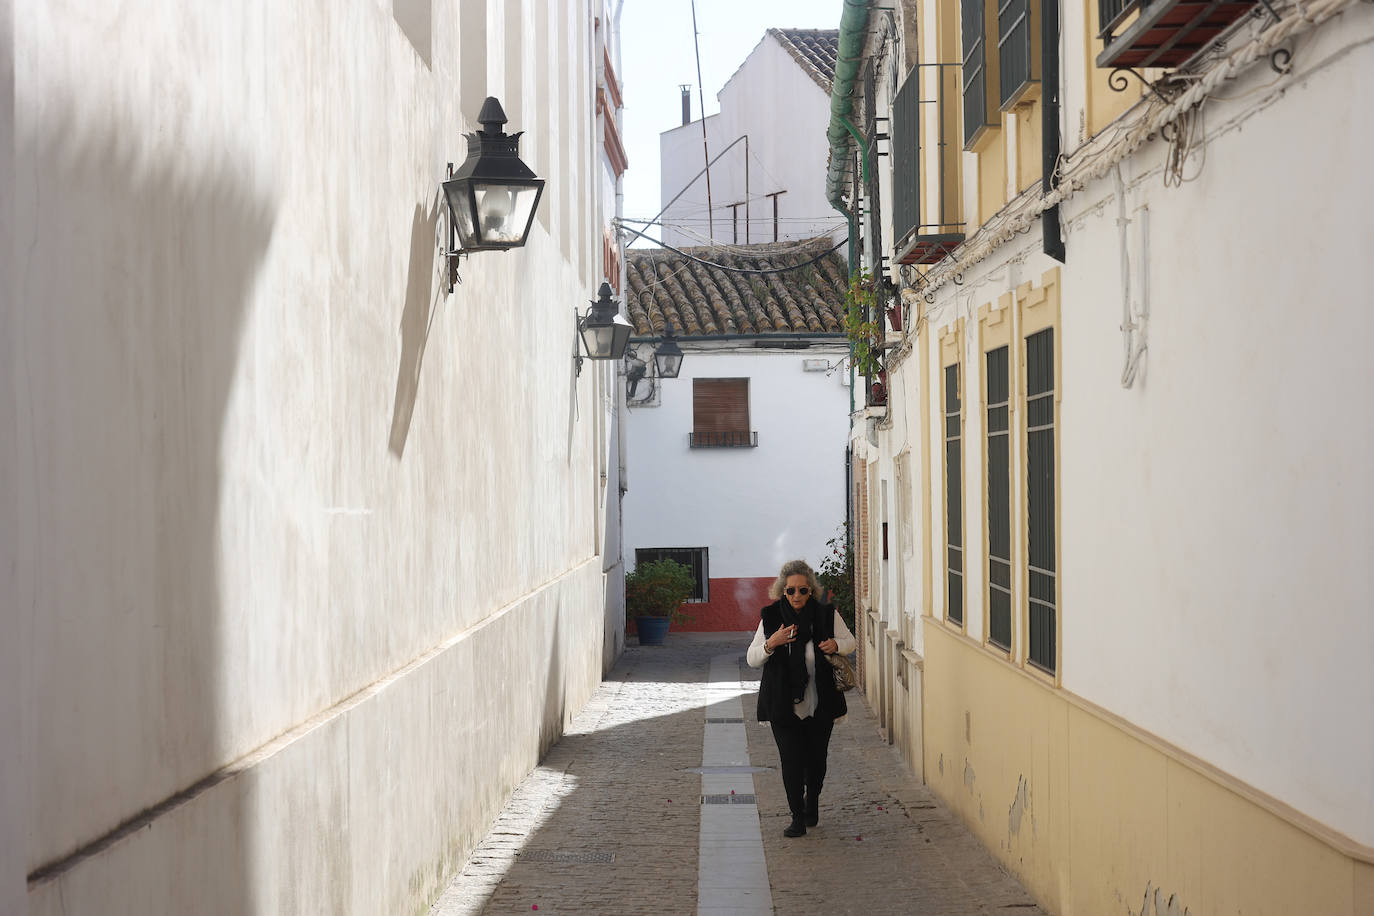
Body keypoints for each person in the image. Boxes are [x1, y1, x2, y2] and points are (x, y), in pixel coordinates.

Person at [746, 559, 856, 837]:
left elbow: (850, 642)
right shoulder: (771, 618)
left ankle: (812, 803)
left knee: (817, 762)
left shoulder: (826, 615)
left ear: (811, 591)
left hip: (820, 704)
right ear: (782, 591)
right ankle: (796, 817)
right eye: (791, 590)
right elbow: (752, 658)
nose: (796, 596)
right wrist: (772, 643)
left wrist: (836, 645)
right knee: (792, 762)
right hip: (783, 706)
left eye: (802, 590)